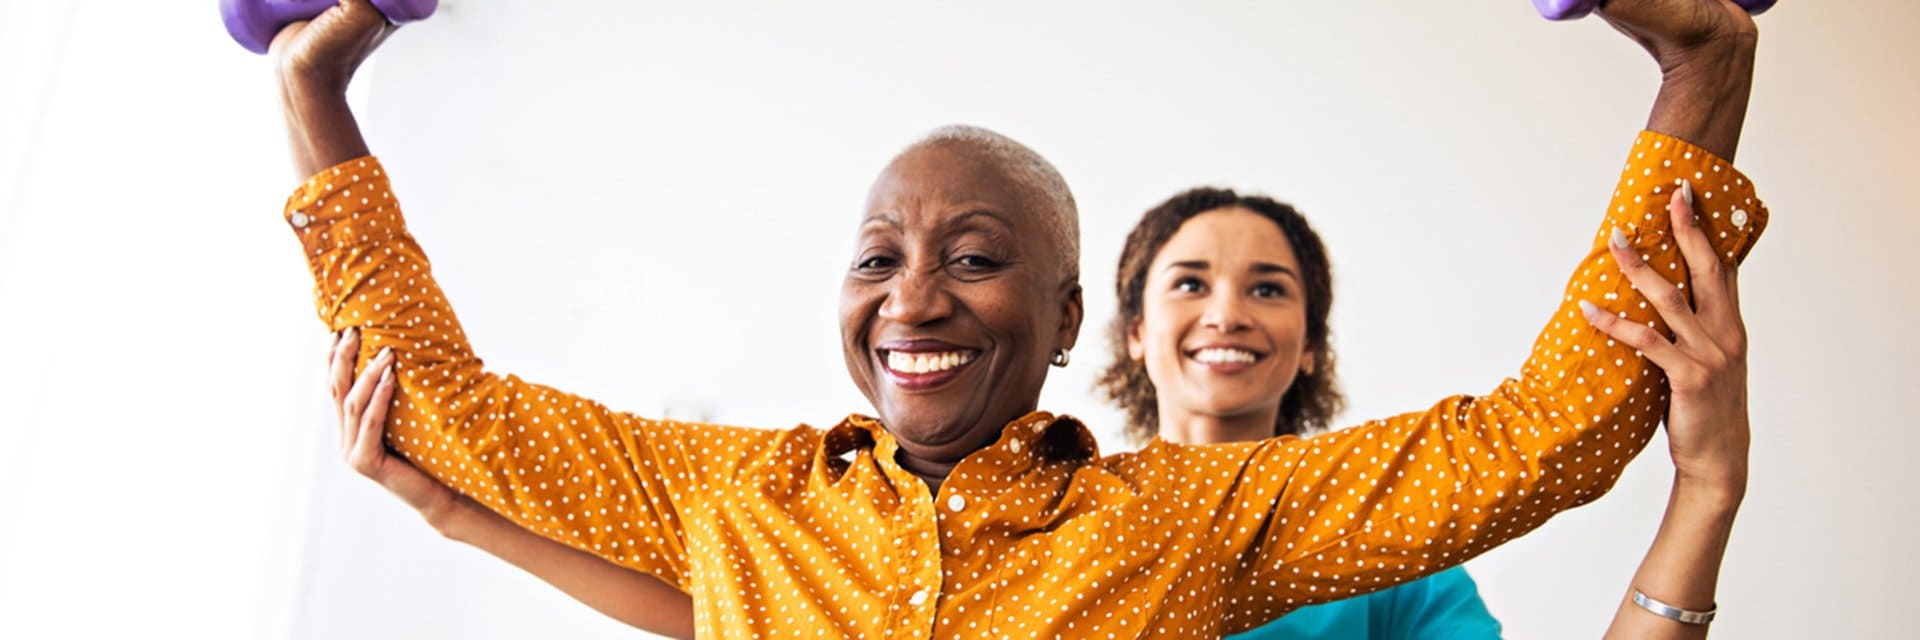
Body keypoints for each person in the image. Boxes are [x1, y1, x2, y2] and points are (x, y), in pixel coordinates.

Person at [276, 0, 1765, 634]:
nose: (914, 295)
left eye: (972, 259)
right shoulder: (737, 507)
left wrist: (1701, 75)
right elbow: (441, 411)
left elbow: (1537, 443)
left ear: (1063, 320)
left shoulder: (1180, 521)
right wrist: (312, 89)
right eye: (878, 258)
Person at [1096, 184, 1749, 639]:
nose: (1227, 314)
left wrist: (1707, 486)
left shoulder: (1387, 557)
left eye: (1268, 288)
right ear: (1134, 331)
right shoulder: (1057, 522)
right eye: (1189, 283)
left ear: (1311, 349)